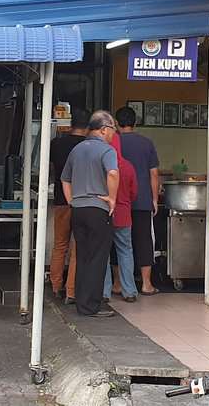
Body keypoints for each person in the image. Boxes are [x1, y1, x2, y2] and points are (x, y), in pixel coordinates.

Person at [60, 110, 120, 318]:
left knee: (83, 256)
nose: (114, 134)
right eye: (113, 129)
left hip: (78, 210)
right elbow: (112, 173)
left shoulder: (77, 149)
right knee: (97, 258)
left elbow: (64, 179)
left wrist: (71, 201)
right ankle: (91, 306)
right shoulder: (107, 150)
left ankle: (81, 303)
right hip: (98, 208)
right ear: (104, 129)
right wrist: (112, 198)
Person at [114, 106, 161, 296]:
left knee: (117, 241)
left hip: (119, 199)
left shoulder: (114, 142)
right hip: (142, 200)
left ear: (116, 123)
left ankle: (117, 284)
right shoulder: (146, 143)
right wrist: (154, 199)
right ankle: (146, 284)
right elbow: (154, 173)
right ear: (135, 122)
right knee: (143, 240)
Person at [49, 109, 89, 302]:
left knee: (60, 245)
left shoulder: (56, 143)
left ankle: (56, 285)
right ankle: (71, 291)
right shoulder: (89, 146)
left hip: (60, 200)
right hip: (82, 201)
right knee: (77, 247)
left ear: (72, 124)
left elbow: (49, 169)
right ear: (88, 127)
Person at [106, 133, 139, 303]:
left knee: (103, 254)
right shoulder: (128, 166)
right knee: (125, 252)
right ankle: (130, 291)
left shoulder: (103, 165)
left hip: (105, 214)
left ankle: (104, 292)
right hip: (124, 215)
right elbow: (134, 192)